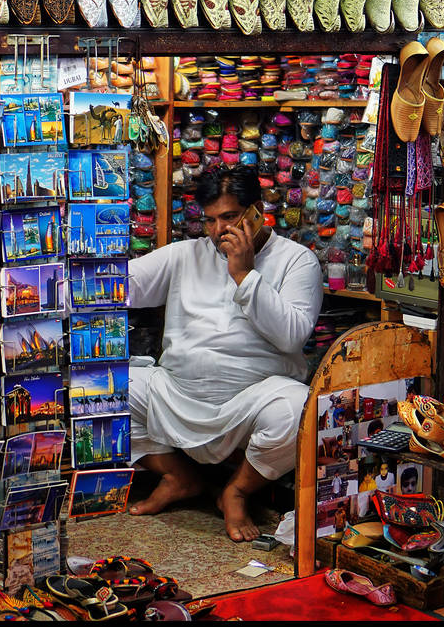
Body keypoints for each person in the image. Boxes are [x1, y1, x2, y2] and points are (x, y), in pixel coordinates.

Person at [126, 164, 324, 542]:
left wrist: (245, 275)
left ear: (257, 210)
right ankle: (178, 477)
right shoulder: (185, 254)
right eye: (211, 220)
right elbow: (122, 284)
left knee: (301, 409)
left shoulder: (297, 260)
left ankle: (236, 490)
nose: (219, 230)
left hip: (250, 402)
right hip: (177, 392)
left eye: (230, 217)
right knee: (102, 389)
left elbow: (292, 337)